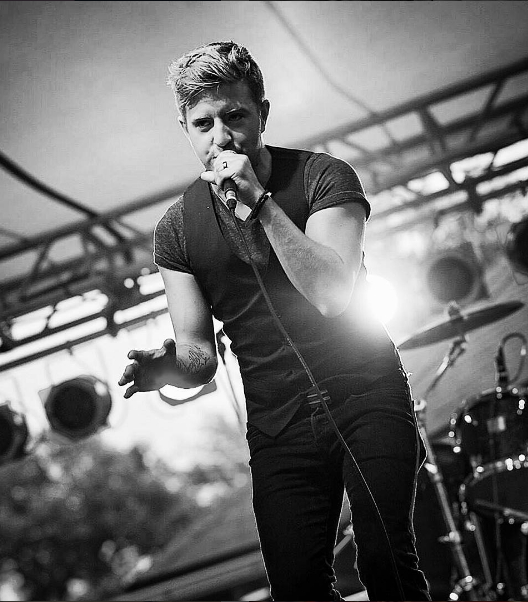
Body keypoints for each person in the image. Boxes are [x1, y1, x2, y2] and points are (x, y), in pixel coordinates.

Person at [118, 40, 431, 601]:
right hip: (277, 425)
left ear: (262, 112)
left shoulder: (322, 177)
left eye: (235, 116)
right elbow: (199, 357)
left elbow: (332, 295)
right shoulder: (177, 230)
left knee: (385, 557)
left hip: (367, 395)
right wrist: (166, 365)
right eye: (203, 123)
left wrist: (261, 204)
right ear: (186, 129)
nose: (221, 137)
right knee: (295, 587)